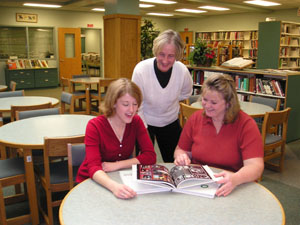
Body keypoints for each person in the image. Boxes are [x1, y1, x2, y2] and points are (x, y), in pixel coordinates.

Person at [174, 73, 264, 197]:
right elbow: (181, 149)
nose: (207, 106)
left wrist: (235, 179)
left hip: (233, 186)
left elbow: (256, 167)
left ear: (228, 103)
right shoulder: (196, 118)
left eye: (214, 102)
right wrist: (181, 156)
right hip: (198, 184)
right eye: (205, 100)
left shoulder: (246, 125)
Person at [76, 78, 156, 199]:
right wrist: (114, 187)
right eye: (125, 104)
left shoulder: (136, 121)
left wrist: (116, 165)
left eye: (135, 104)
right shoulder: (95, 126)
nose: (132, 110)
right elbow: (93, 167)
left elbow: (150, 156)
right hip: (92, 180)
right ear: (113, 103)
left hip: (118, 178)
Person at [132, 29, 193, 162]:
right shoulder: (141, 69)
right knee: (143, 164)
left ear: (177, 55)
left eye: (171, 56)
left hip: (170, 120)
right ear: (156, 52)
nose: (165, 60)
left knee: (176, 162)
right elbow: (137, 105)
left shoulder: (182, 70)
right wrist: (144, 133)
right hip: (144, 121)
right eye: (162, 54)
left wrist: (168, 102)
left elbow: (186, 93)